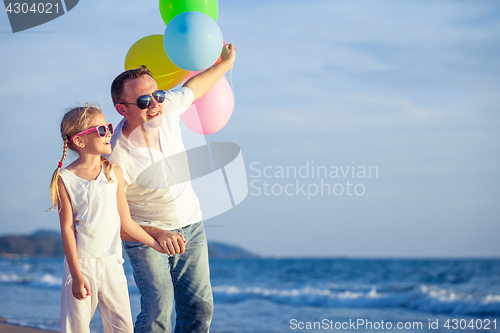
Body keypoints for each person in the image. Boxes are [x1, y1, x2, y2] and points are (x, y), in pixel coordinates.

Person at [106, 43, 236, 332]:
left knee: (200, 309)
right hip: (144, 234)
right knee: (158, 311)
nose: (154, 104)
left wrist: (225, 65)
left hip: (191, 224)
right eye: (143, 101)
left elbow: (194, 87)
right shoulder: (116, 156)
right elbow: (114, 220)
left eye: (158, 95)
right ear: (121, 109)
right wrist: (156, 234)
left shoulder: (165, 109)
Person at [49, 104, 169, 333]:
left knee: (122, 327)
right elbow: (67, 229)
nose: (109, 133)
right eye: (101, 130)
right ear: (79, 141)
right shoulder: (65, 179)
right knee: (76, 327)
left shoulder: (114, 172)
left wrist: (156, 245)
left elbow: (127, 223)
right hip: (81, 264)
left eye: (108, 127)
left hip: (113, 263)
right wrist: (75, 275)